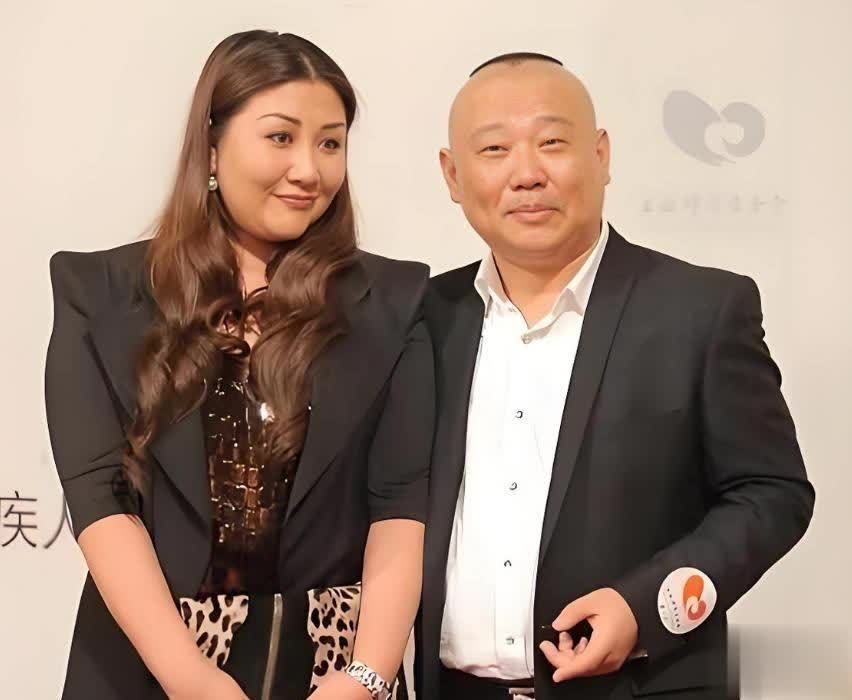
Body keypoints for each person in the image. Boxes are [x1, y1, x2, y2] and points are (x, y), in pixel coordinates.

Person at [45, 30, 433, 700]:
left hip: (333, 673)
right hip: (148, 669)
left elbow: (399, 505)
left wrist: (367, 675)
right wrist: (190, 677)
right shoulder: (100, 294)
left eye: (331, 143)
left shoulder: (394, 302)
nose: (309, 169)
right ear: (211, 146)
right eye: (281, 137)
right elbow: (100, 500)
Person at [415, 52, 815, 700]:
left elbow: (773, 493)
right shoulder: (423, 317)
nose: (527, 173)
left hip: (640, 686)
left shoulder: (702, 309)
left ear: (601, 155)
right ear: (453, 175)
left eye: (552, 143)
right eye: (494, 149)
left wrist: (645, 608)